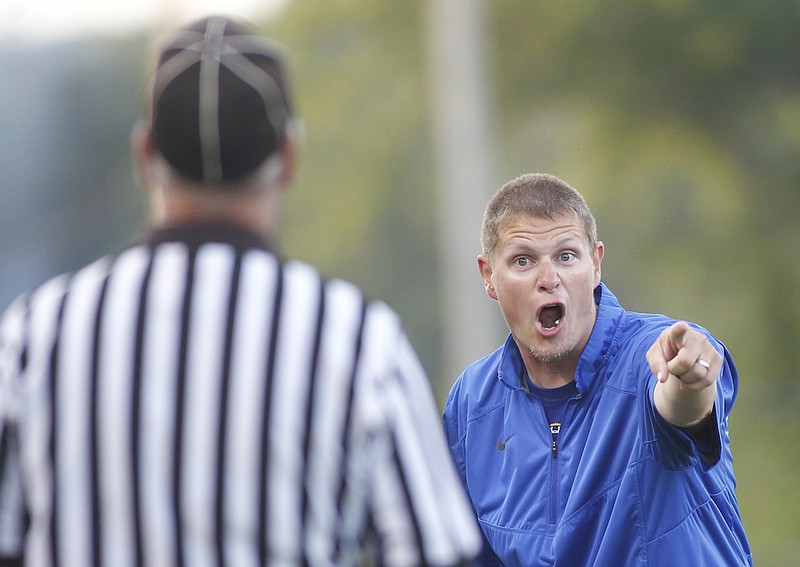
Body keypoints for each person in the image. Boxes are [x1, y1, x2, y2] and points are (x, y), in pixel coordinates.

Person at [0, 15, 481, 567]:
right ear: (290, 158)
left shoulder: (37, 336)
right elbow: (440, 553)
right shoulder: (357, 342)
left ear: (144, 156)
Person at [442, 173, 752, 566]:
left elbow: (680, 404)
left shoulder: (652, 354)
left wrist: (690, 376)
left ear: (596, 265)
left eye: (566, 256)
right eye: (523, 261)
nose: (549, 280)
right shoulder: (471, 404)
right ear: (489, 276)